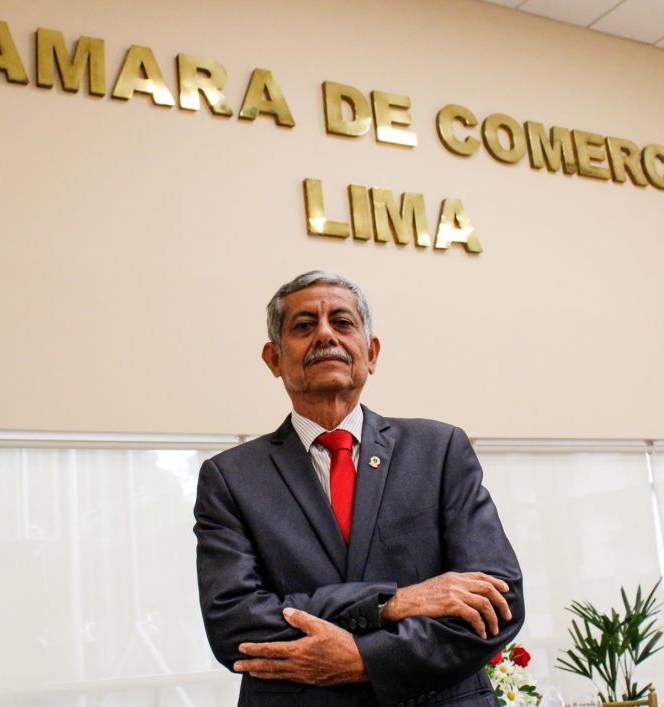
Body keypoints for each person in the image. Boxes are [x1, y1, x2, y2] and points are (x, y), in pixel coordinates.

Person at [193, 270, 524, 706]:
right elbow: (234, 624)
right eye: (304, 325)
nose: (325, 334)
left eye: (342, 322)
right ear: (274, 359)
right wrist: (391, 602)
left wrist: (367, 659)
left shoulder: (439, 450)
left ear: (371, 353)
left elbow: (497, 600)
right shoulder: (230, 478)